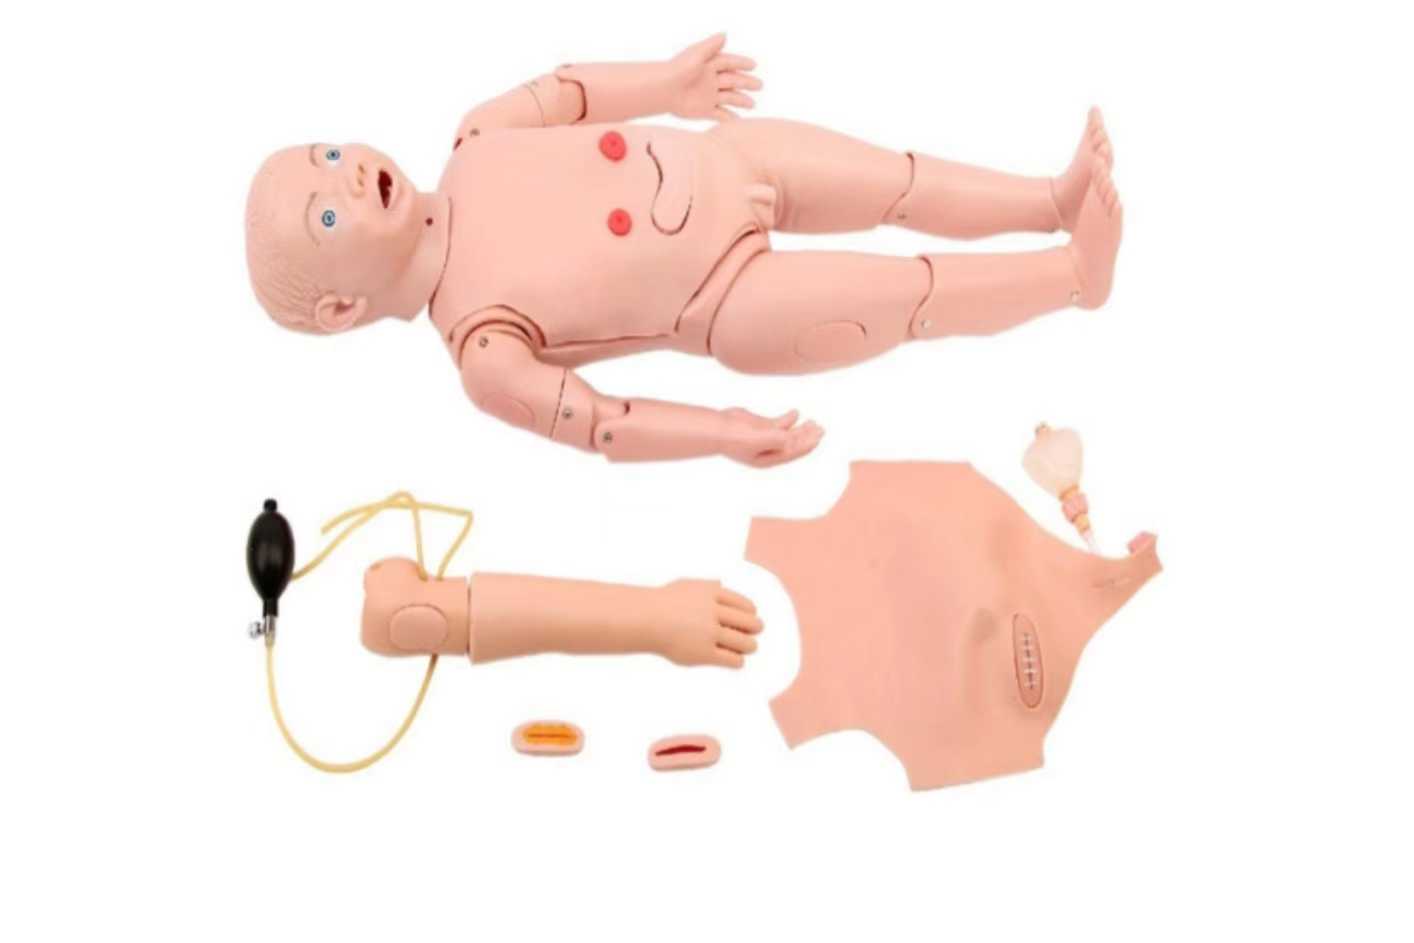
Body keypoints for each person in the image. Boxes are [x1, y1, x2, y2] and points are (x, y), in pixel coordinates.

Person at [246, 35, 1121, 467]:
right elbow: (605, 422)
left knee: (901, 179)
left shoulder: (475, 138)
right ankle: (1075, 276)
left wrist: (670, 83)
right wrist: (725, 434)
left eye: (330, 154)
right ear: (341, 308)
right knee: (907, 292)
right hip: (727, 296)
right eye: (327, 216)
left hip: (727, 162)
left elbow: (569, 92)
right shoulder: (483, 350)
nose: (347, 175)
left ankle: (1050, 197)